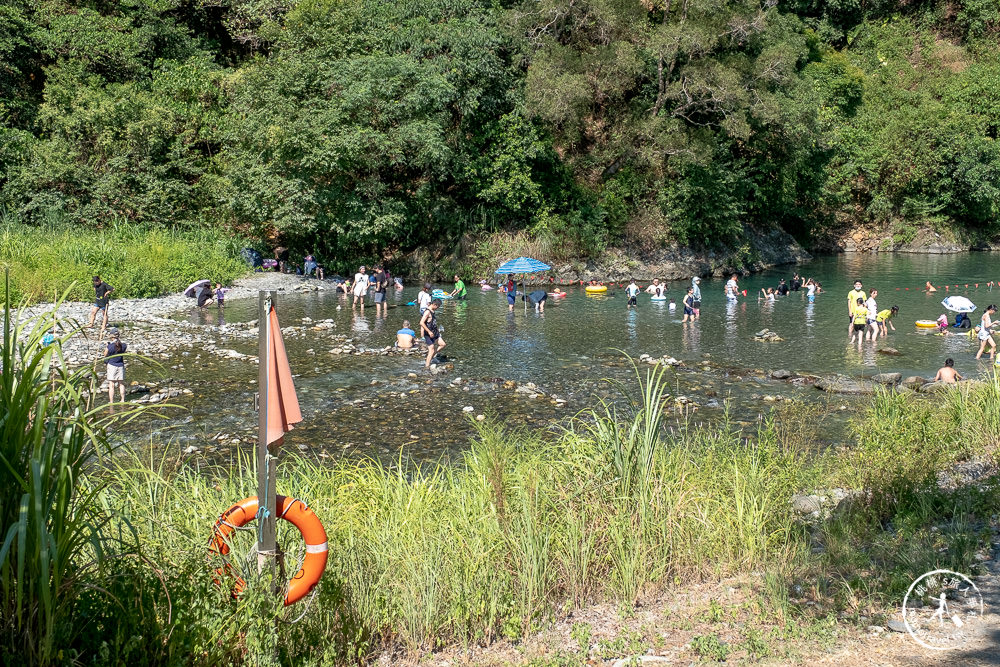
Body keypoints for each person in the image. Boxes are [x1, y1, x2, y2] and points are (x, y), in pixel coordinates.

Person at [101, 328, 127, 404]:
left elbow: (105, 354)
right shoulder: (123, 346)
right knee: (121, 384)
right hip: (120, 365)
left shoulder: (110, 346)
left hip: (112, 365)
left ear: (111, 336)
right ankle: (122, 400)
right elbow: (121, 348)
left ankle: (111, 401)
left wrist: (107, 346)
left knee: (111, 384)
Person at [419, 299, 446, 368]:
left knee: (442, 344)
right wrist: (428, 331)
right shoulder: (427, 312)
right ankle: (427, 366)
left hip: (435, 332)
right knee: (431, 349)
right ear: (434, 305)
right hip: (429, 334)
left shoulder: (432, 311)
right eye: (438, 306)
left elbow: (432, 322)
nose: (438, 308)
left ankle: (430, 357)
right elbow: (421, 322)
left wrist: (437, 330)